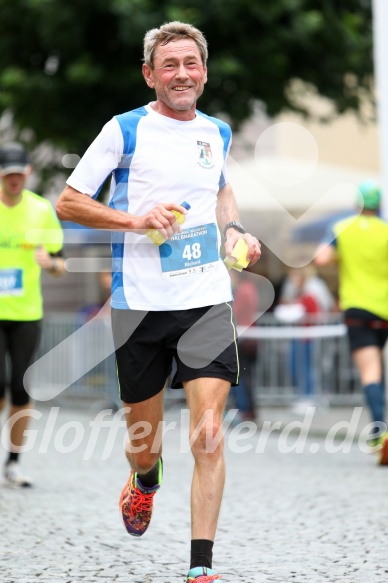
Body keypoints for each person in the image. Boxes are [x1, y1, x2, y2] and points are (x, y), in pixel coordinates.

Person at [56, 21, 261, 583]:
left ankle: (200, 565)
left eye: (190, 63)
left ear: (204, 71)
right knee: (145, 446)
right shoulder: (124, 130)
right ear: (150, 74)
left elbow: (219, 189)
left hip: (205, 300)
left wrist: (235, 229)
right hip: (140, 305)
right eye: (168, 65)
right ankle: (146, 480)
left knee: (209, 433)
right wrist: (134, 220)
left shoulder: (216, 132)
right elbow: (69, 203)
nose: (181, 74)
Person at [0, 141, 65, 487]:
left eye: (17, 174)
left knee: (21, 391)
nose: (13, 181)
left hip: (26, 313)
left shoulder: (41, 210)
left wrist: (51, 263)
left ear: (27, 172)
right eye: (7, 175)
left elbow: (61, 263)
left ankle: (12, 463)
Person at [314, 180, 388, 465]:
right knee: (378, 369)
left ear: (358, 204)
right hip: (384, 310)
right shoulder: (385, 230)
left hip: (358, 310)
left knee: (370, 372)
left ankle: (379, 430)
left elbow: (321, 259)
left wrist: (341, 256)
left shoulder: (343, 227)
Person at [228, 269, 259, 422]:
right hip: (247, 336)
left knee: (239, 377)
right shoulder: (249, 288)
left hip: (241, 336)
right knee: (246, 376)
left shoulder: (243, 290)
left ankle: (244, 410)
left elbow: (235, 312)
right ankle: (248, 410)